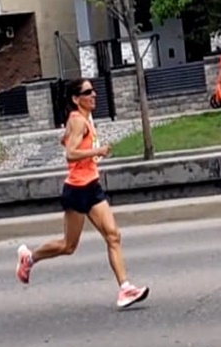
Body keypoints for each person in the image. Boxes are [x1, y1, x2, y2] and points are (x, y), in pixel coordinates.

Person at [15, 78, 149, 309]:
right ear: (76, 99)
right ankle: (30, 258)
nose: (94, 94)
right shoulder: (79, 121)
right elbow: (70, 154)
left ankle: (125, 289)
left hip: (92, 185)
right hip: (77, 189)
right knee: (68, 246)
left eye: (94, 90)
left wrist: (73, 141)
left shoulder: (82, 119)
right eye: (88, 92)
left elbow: (67, 141)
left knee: (113, 236)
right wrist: (98, 150)